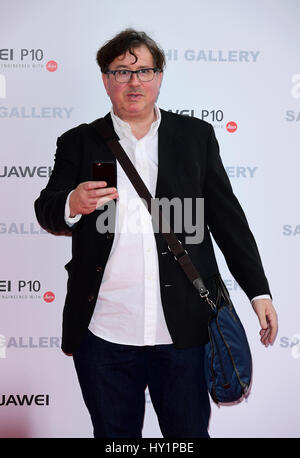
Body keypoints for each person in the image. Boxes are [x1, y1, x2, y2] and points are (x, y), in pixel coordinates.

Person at [34, 29, 278, 438]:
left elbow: (228, 221)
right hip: (104, 332)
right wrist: (70, 203)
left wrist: (259, 292)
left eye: (144, 70)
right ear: (105, 79)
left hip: (184, 331)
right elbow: (47, 211)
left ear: (160, 76)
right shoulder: (78, 142)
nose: (134, 82)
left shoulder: (195, 137)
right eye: (121, 72)